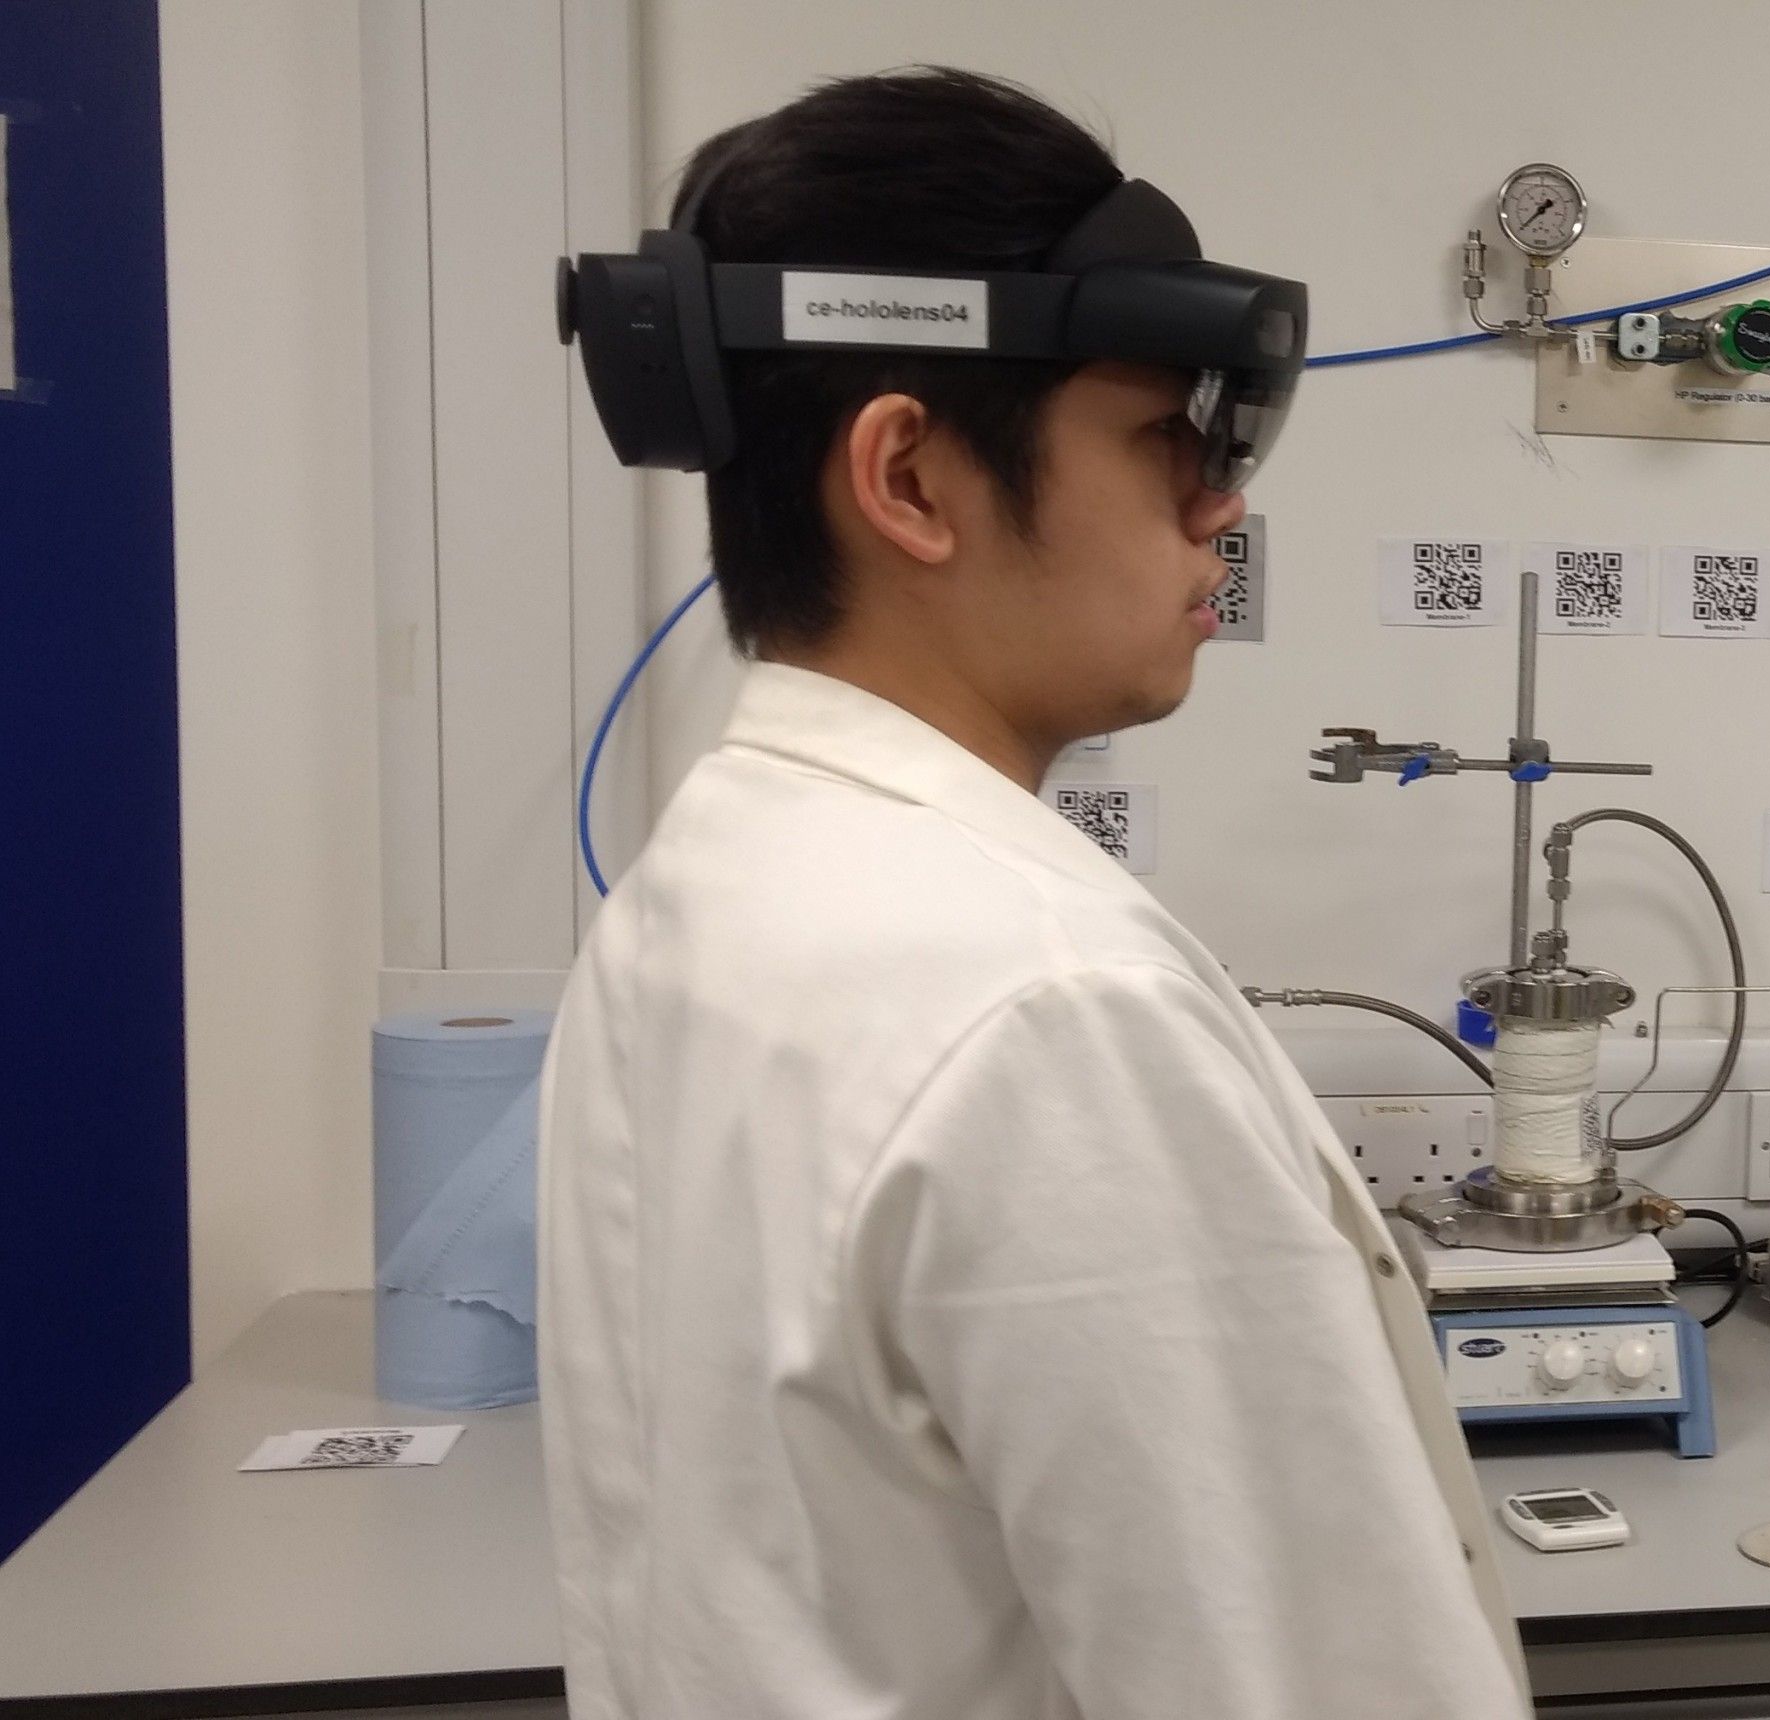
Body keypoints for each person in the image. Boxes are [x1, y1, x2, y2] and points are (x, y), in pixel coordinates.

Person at [537, 69, 1525, 1719]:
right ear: (910, 481)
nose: (1223, 503)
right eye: (1162, 437)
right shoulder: (1042, 1006)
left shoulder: (697, 902)